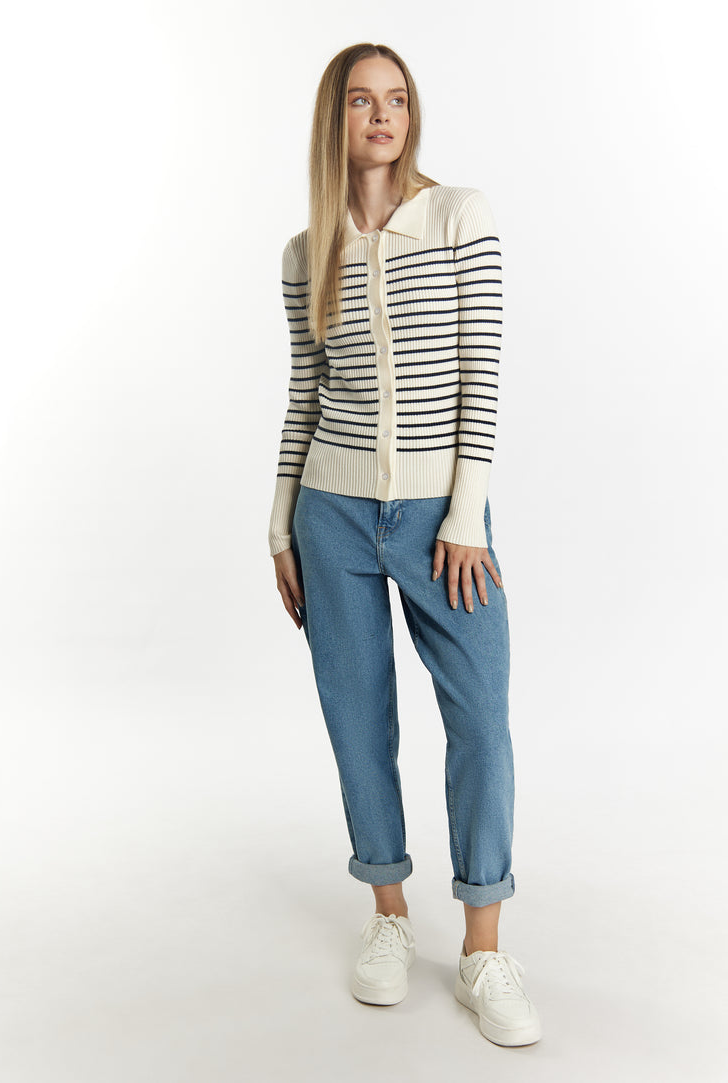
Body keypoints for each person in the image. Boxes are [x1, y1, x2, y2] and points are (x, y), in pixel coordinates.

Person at [268, 42, 542, 1047]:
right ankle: (388, 915)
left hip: (440, 523)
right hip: (329, 515)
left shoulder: (461, 216)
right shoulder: (306, 251)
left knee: (481, 719)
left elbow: (482, 373)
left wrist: (465, 516)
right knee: (358, 722)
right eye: (360, 100)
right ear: (334, 119)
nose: (381, 115)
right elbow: (304, 394)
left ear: (411, 114)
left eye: (396, 99)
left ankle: (482, 948)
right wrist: (279, 524)